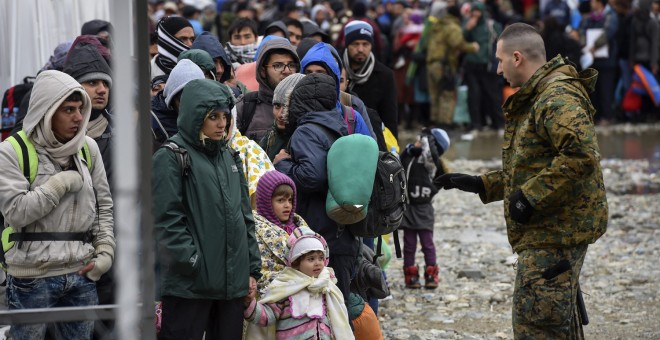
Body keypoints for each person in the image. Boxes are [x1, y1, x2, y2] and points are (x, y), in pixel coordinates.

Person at [435, 23, 608, 338]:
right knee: (558, 323)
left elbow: (581, 158)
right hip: (551, 231)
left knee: (537, 326)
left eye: (500, 61)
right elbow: (534, 165)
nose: (498, 69)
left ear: (517, 58)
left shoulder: (556, 96)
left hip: (555, 233)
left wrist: (528, 198)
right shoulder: (540, 94)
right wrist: (481, 183)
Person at [0, 70, 115, 339]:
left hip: (82, 274)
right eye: (68, 110)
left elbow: (104, 207)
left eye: (79, 109)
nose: (78, 117)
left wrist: (105, 253)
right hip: (31, 277)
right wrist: (60, 183)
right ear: (46, 110)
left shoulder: (88, 148)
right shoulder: (11, 150)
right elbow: (16, 212)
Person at [152, 79, 261, 340]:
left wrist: (251, 268)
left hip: (231, 286)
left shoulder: (229, 156)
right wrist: (192, 262)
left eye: (225, 115)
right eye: (213, 116)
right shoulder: (170, 156)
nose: (222, 123)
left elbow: (244, 216)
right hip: (189, 286)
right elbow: (165, 220)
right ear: (195, 116)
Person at [274, 73, 358, 302]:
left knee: (322, 308)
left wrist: (282, 164)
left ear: (299, 101)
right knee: (339, 305)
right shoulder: (336, 126)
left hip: (320, 235)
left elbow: (312, 176)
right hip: (343, 232)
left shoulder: (306, 130)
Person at [244, 227, 354, 340]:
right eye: (311, 259)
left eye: (321, 258)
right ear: (296, 263)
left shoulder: (327, 287)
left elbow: (339, 321)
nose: (318, 263)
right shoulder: (285, 287)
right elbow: (267, 316)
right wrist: (250, 303)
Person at [400, 128, 449, 289]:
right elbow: (399, 163)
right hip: (409, 207)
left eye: (421, 140)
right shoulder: (410, 155)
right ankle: (410, 275)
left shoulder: (431, 163)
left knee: (427, 243)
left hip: (424, 208)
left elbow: (433, 155)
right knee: (409, 244)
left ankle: (431, 274)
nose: (417, 142)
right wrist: (409, 150)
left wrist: (429, 140)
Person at [422, 2, 479, 127]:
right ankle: (445, 124)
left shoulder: (436, 25)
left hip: (431, 64)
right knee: (447, 94)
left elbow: (425, 44)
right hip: (444, 65)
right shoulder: (452, 27)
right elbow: (457, 44)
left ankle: (435, 122)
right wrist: (473, 47)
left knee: (435, 94)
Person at [235, 37, 300, 142]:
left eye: (291, 65)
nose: (287, 71)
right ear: (262, 71)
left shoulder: (305, 106)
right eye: (278, 65)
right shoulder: (245, 106)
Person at [342, 20, 398, 138]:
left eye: (365, 44)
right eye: (355, 44)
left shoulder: (384, 75)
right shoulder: (337, 70)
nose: (360, 49)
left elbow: (390, 118)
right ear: (347, 45)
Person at [260, 73, 306, 161]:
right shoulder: (269, 138)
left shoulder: (308, 141)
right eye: (277, 106)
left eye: (287, 107)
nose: (280, 114)